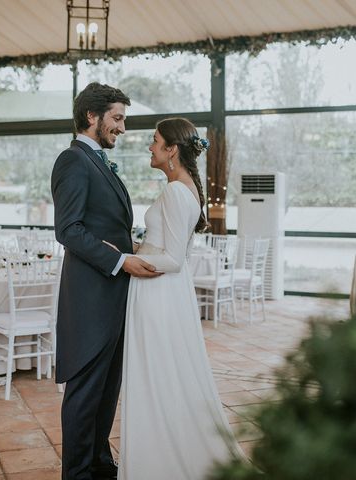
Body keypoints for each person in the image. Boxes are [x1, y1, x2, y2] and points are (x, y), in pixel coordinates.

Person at [118, 118, 242, 479]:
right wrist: (133, 246)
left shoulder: (175, 191)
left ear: (172, 149)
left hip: (157, 293)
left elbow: (172, 260)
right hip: (165, 293)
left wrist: (127, 261)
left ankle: (157, 463)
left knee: (155, 376)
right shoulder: (184, 188)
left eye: (155, 142)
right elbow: (166, 247)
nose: (150, 147)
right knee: (163, 375)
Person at [51, 82, 160, 480]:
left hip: (111, 298)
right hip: (89, 300)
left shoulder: (97, 161)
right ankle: (78, 473)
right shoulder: (72, 160)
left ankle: (100, 466)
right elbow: (69, 230)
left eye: (123, 119)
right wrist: (122, 261)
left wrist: (133, 248)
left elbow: (104, 226)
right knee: (84, 396)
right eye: (117, 118)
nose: (123, 128)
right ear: (91, 117)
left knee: (105, 392)